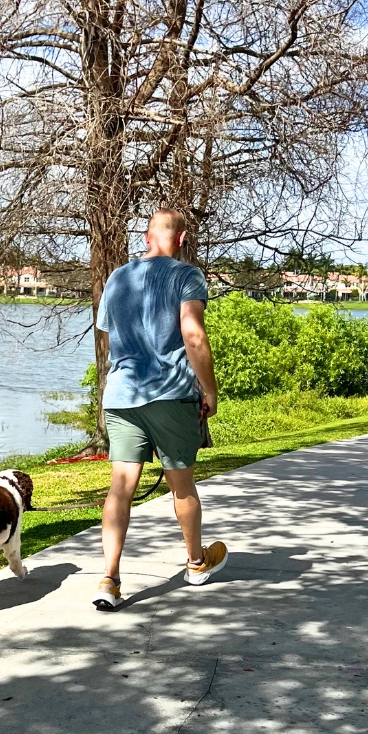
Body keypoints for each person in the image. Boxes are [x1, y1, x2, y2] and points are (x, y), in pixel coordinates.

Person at [91, 208, 228, 610]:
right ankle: (196, 564)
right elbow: (193, 335)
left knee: (120, 489)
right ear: (182, 239)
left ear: (146, 237)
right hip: (170, 395)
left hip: (122, 396)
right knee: (181, 485)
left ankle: (109, 579)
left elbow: (108, 333)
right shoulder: (187, 276)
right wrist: (210, 390)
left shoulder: (117, 277)